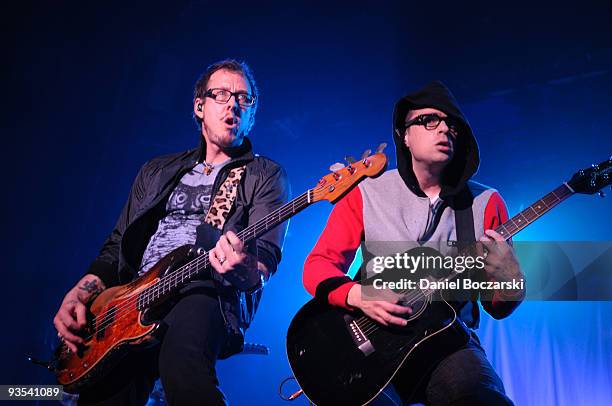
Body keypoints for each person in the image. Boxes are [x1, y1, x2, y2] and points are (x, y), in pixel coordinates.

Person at [53, 59, 289, 405]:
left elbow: (264, 262)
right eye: (221, 94)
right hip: (133, 298)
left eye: (244, 98)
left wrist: (245, 269)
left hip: (205, 288)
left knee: (184, 368)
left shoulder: (264, 174)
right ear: (199, 106)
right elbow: (117, 245)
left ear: (252, 114)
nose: (233, 103)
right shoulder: (156, 171)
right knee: (104, 395)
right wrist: (82, 291)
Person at [303, 81, 525, 405]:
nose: (444, 129)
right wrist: (359, 294)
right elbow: (318, 265)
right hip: (369, 343)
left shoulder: (486, 202)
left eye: (452, 124)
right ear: (404, 135)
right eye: (430, 120)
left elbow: (497, 306)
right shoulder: (366, 192)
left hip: (448, 345)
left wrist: (512, 281)